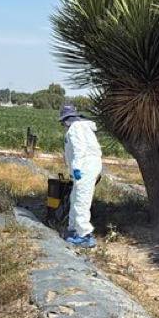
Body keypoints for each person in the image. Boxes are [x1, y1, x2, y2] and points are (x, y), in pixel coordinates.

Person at [60, 104, 103, 248]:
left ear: (66, 119)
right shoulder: (82, 127)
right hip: (88, 166)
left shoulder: (75, 128)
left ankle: (84, 235)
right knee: (75, 197)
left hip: (85, 167)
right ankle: (73, 229)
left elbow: (80, 150)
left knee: (81, 201)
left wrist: (77, 168)